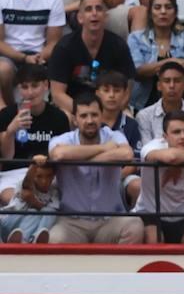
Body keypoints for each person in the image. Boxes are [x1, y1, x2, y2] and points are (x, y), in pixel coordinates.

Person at [47, 89, 140, 242]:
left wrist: (79, 158)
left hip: (110, 220)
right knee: (55, 239)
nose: (90, 120)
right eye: (83, 116)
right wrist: (104, 148)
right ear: (75, 120)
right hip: (72, 222)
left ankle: (117, 267)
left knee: (134, 226)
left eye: (94, 115)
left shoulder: (114, 136)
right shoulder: (62, 139)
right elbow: (59, 154)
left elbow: (126, 154)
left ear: (101, 116)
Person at [132, 108, 184, 242]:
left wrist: (182, 160)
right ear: (165, 137)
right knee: (154, 239)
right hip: (149, 215)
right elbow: (171, 157)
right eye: (176, 132)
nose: (183, 136)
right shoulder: (153, 146)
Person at [47, 0, 135, 114]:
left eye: (99, 9)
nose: (94, 13)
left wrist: (106, 114)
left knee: (128, 117)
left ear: (105, 16)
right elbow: (57, 94)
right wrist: (87, 114)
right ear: (80, 18)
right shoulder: (64, 47)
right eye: (88, 9)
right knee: (65, 117)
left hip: (109, 108)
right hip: (72, 108)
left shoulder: (118, 45)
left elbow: (128, 88)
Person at [128, 0, 184, 110]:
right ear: (150, 13)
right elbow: (136, 71)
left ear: (175, 12)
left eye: (168, 7)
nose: (163, 12)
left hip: (183, 106)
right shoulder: (136, 38)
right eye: (157, 7)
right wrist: (172, 62)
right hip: (144, 105)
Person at [0, 63, 67, 203]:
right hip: (14, 174)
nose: (30, 92)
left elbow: (61, 156)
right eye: (25, 87)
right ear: (18, 89)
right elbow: (7, 157)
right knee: (11, 197)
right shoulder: (6, 115)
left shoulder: (59, 117)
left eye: (35, 86)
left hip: (47, 175)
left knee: (57, 197)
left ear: (45, 85)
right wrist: (11, 131)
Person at [0, 0, 65, 108]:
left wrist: (39, 57)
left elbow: (54, 42)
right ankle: (9, 111)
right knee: (3, 70)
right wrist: (23, 58)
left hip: (39, 56)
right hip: (9, 55)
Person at [0, 155, 56, 240]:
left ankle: (32, 239)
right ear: (33, 175)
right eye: (39, 176)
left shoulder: (55, 191)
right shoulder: (23, 183)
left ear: (54, 176)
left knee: (44, 212)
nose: (44, 181)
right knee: (35, 212)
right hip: (8, 222)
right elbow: (26, 190)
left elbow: (51, 210)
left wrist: (34, 202)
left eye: (48, 176)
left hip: (25, 229)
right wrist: (34, 165)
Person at [85, 0, 150, 40]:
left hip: (136, 11)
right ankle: (136, 49)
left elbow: (146, 3)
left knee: (146, 13)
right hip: (110, 13)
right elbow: (114, 4)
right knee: (140, 12)